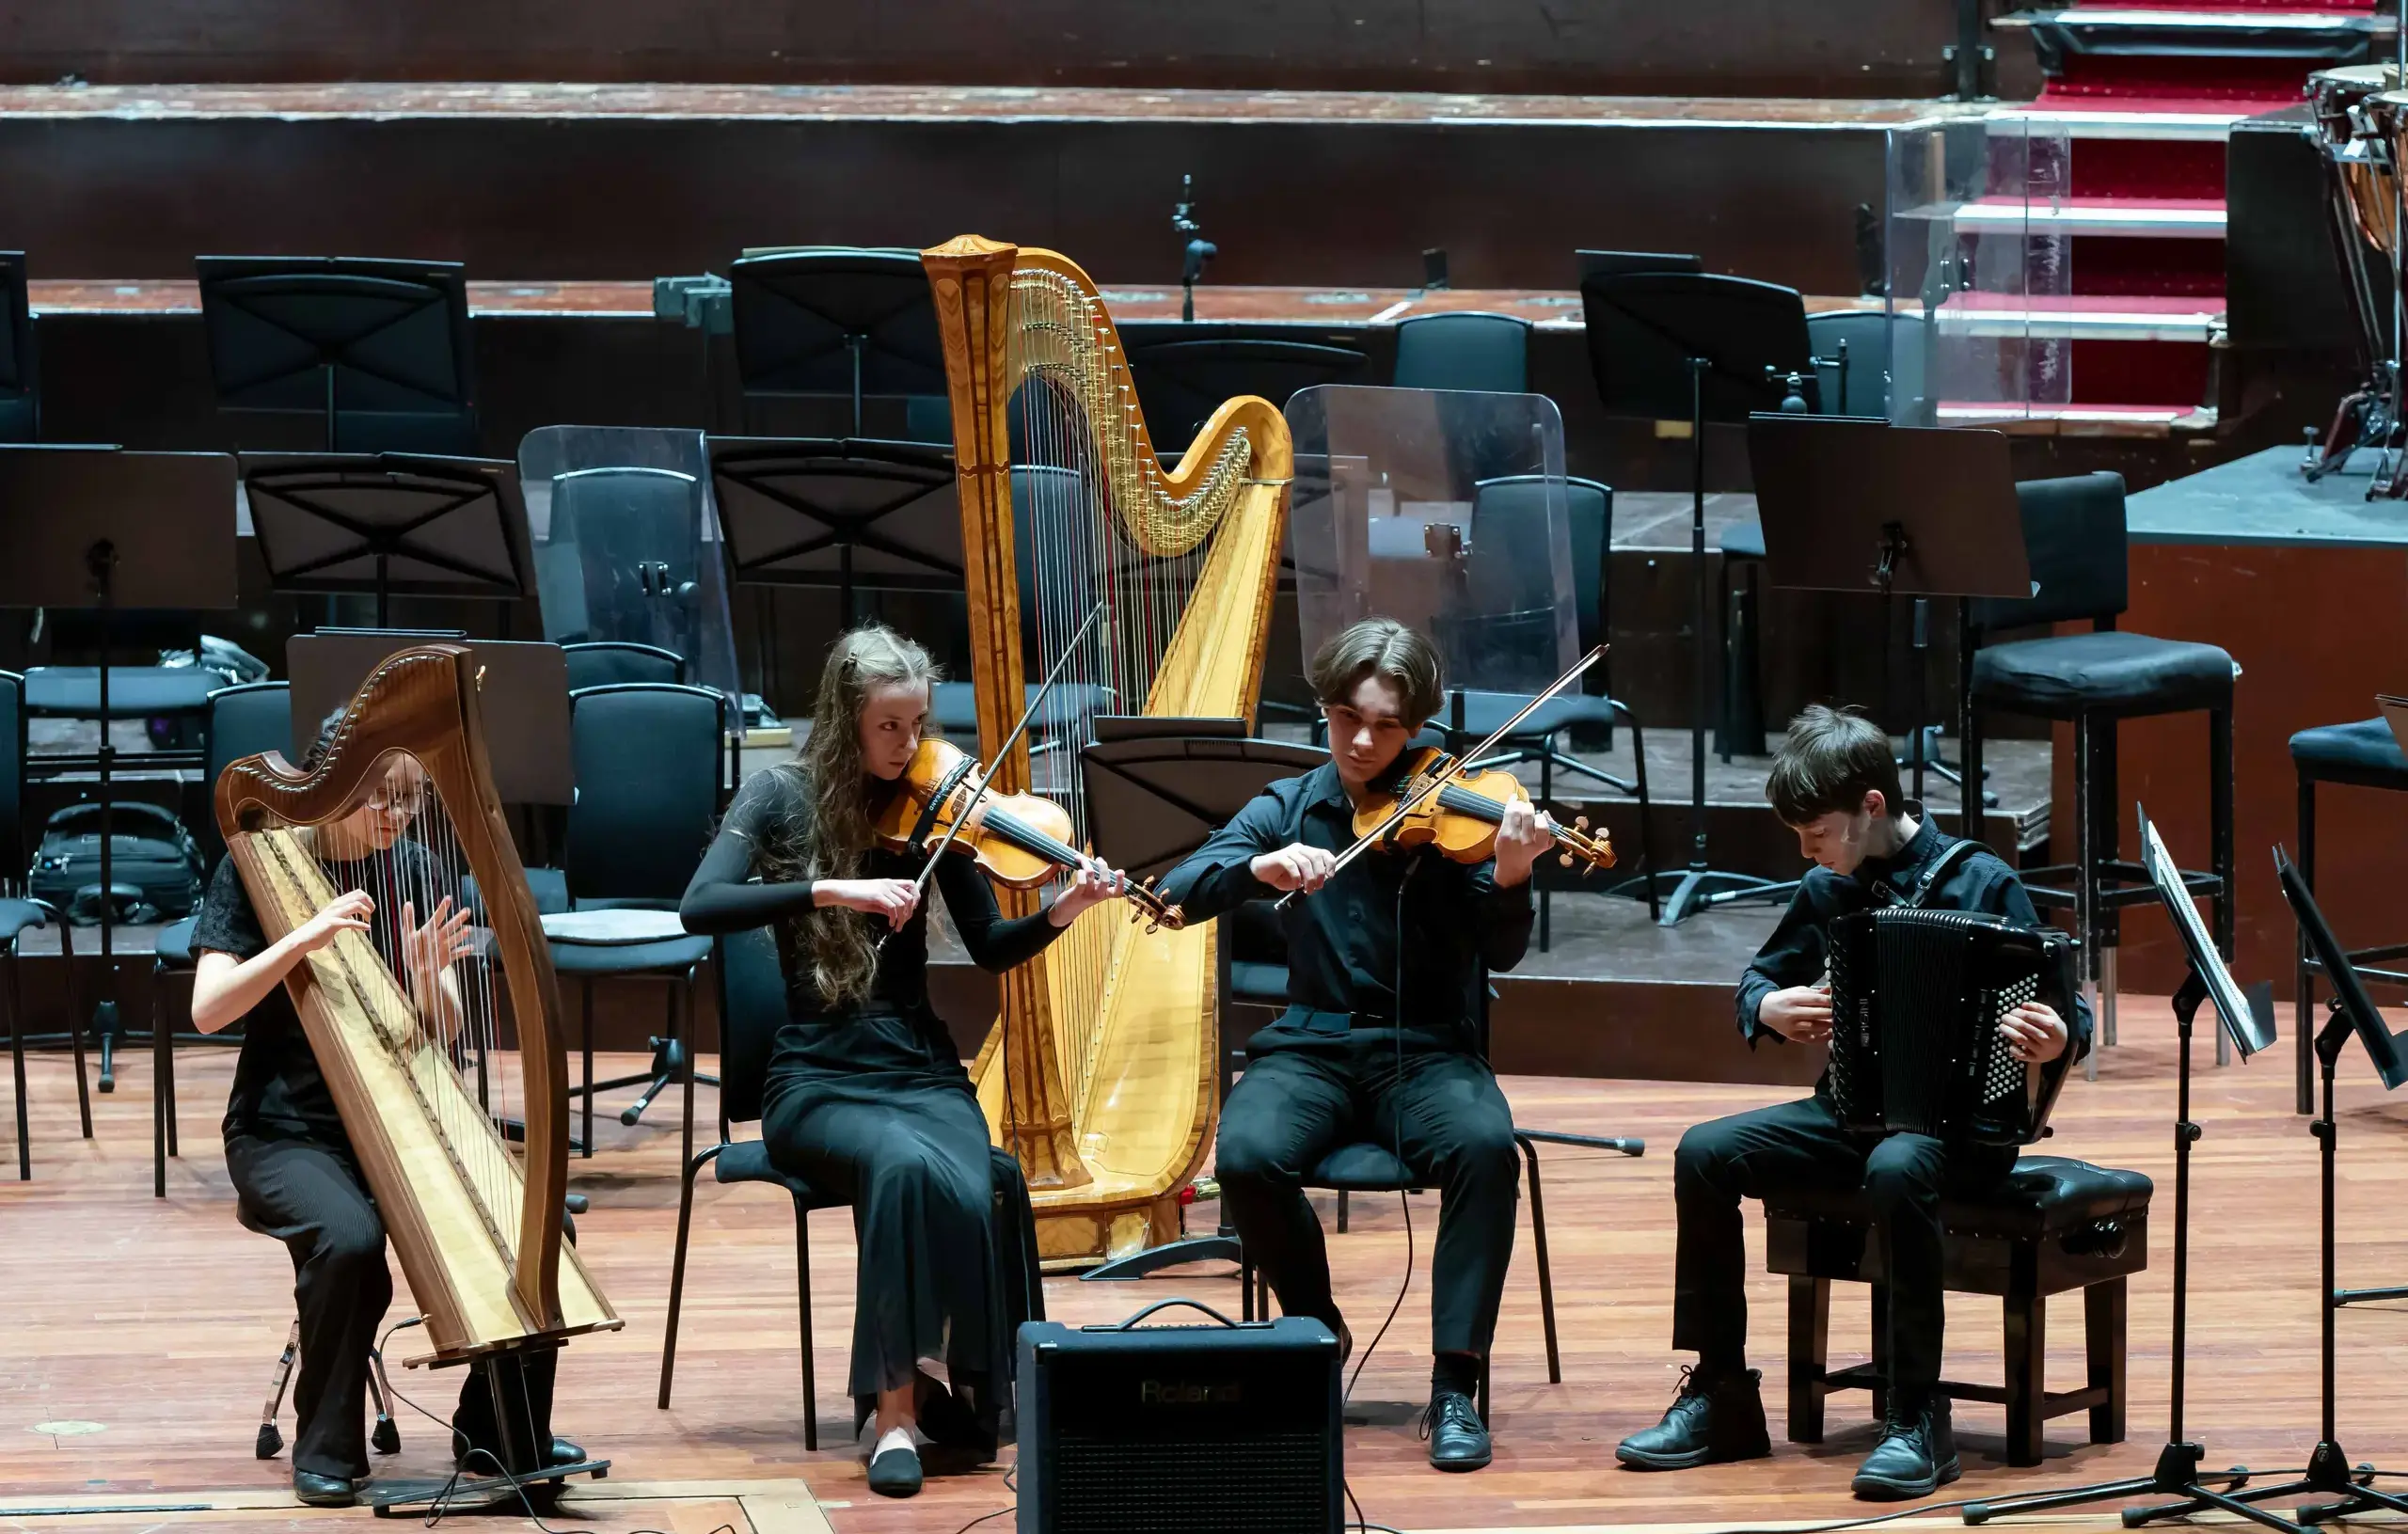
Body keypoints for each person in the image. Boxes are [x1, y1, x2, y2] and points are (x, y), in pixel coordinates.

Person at [678, 624, 1128, 1499]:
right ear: (848, 720)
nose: (911, 746)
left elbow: (994, 946)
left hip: (917, 1064)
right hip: (815, 1072)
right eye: (891, 728)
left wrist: (1065, 907)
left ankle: (966, 1389)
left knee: (991, 1173)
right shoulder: (782, 796)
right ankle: (894, 1417)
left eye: (919, 724)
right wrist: (828, 886)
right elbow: (699, 905)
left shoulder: (936, 808)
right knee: (898, 1163)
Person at [1615, 704, 2087, 1500]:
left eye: (1817, 834)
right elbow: (1760, 979)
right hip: (1848, 1110)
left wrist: (2051, 1039)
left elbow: (2065, 1013)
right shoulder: (1828, 887)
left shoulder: (1983, 880)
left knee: (1901, 1163)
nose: (1808, 852)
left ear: (1872, 805)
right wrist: (1768, 1007)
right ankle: (1722, 1393)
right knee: (1703, 1150)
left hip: (1962, 1128)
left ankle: (1915, 1415)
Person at [1155, 617, 1553, 1473]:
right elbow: (1178, 892)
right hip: (1311, 1046)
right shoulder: (1291, 806)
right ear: (1324, 712)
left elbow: (1504, 947)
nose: (1365, 741)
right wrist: (1255, 871)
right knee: (1248, 1154)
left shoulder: (1462, 809)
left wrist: (1514, 873)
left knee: (1487, 1150)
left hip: (1430, 1051)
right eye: (1347, 718)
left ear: (1419, 729)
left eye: (1387, 725)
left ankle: (1456, 1385)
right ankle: (1314, 1328)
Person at [196, 712, 582, 1509]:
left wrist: (422, 976)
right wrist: (301, 938)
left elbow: (440, 1026)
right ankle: (327, 1442)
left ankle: (498, 1432)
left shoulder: (410, 865)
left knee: (544, 1229)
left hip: (396, 1118)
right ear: (327, 794)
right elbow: (208, 1008)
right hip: (283, 1129)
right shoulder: (257, 863)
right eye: (383, 799)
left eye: (409, 802)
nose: (396, 818)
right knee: (348, 1238)